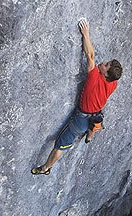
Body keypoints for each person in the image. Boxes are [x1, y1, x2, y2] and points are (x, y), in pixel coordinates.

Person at [31, 18, 122, 175]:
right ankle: (89, 137)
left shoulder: (94, 77)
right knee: (93, 124)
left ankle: (46, 168)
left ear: (105, 75)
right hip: (95, 116)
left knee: (60, 144)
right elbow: (95, 59)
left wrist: (85, 34)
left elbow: (90, 55)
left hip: (81, 119)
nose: (103, 62)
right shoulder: (113, 84)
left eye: (105, 65)